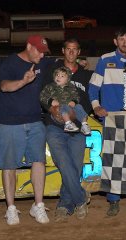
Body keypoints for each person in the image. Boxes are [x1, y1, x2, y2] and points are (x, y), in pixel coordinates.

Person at [0, 35, 53, 225]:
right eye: (39, 51)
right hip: (9, 122)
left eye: (44, 52)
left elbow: (60, 68)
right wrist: (23, 81)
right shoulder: (10, 62)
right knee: (9, 165)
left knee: (39, 161)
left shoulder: (42, 63)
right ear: (29, 47)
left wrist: (79, 63)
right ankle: (11, 208)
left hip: (35, 121)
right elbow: (3, 87)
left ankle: (38, 205)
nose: (42, 56)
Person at [88, 27, 126, 216]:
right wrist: (96, 106)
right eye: (121, 38)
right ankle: (113, 200)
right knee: (113, 160)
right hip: (111, 118)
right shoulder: (105, 59)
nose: (125, 42)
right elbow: (93, 86)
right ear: (115, 41)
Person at [41, 38, 92, 222]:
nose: (71, 52)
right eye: (68, 49)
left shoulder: (85, 75)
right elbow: (43, 94)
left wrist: (76, 113)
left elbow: (88, 101)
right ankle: (80, 198)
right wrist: (51, 109)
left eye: (74, 49)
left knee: (75, 167)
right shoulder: (52, 71)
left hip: (77, 129)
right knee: (63, 162)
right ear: (63, 51)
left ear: (79, 52)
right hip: (54, 127)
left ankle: (64, 205)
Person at [40, 66, 91, 134]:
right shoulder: (50, 86)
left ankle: (84, 125)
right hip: (57, 111)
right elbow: (42, 95)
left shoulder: (71, 87)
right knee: (64, 106)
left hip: (70, 109)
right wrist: (50, 101)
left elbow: (76, 96)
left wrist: (74, 101)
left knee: (79, 106)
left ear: (67, 79)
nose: (58, 77)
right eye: (57, 75)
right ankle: (68, 124)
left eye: (62, 76)